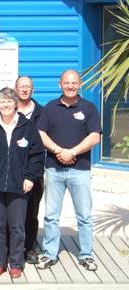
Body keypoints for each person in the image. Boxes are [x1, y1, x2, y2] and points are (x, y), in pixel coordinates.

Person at [0, 87, 44, 278]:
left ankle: (15, 263)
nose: (5, 105)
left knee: (17, 227)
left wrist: (30, 177)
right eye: (2, 102)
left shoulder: (27, 127)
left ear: (15, 104)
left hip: (19, 186)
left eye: (9, 101)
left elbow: (37, 155)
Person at [37, 70, 101, 271]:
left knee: (84, 216)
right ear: (60, 84)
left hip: (79, 170)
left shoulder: (89, 108)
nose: (70, 86)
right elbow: (40, 133)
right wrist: (58, 151)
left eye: (74, 83)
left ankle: (86, 255)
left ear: (80, 84)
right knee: (51, 216)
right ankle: (49, 254)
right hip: (54, 170)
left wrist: (72, 151)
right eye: (67, 83)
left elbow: (95, 137)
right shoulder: (50, 108)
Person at [15, 76, 44, 264]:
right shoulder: (8, 110)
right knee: (13, 212)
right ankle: (13, 246)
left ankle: (30, 247)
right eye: (21, 87)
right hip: (12, 171)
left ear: (32, 90)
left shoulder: (43, 112)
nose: (25, 90)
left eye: (28, 87)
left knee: (31, 213)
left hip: (34, 171)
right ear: (15, 89)